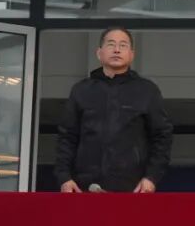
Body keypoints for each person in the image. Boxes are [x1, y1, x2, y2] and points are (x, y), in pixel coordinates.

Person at [54, 26, 173, 193]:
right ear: (99, 53)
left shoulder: (147, 90)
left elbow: (162, 136)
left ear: (132, 54)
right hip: (85, 186)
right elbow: (67, 136)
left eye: (123, 45)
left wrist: (151, 177)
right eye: (111, 44)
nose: (117, 50)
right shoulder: (81, 90)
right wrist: (64, 177)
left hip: (134, 188)